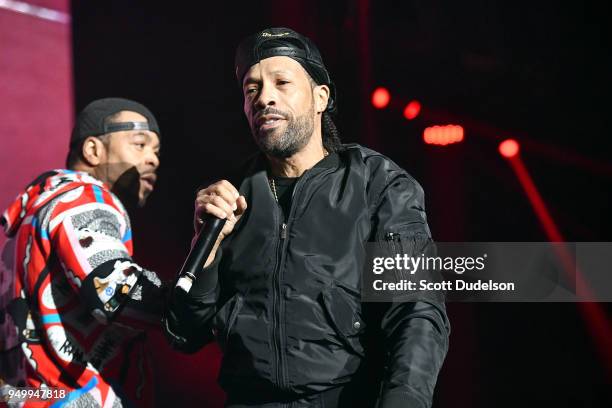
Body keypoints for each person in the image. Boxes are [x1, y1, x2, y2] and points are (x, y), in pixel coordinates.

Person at [165, 28, 450, 408]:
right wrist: (208, 252)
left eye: (282, 82)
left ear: (321, 97)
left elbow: (416, 309)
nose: (264, 97)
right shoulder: (230, 197)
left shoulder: (377, 184)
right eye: (251, 90)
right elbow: (184, 333)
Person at [0, 98, 165, 407]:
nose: (153, 159)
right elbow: (115, 295)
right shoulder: (84, 198)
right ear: (93, 151)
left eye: (156, 151)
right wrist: (193, 304)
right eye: (140, 144)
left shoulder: (34, 214)